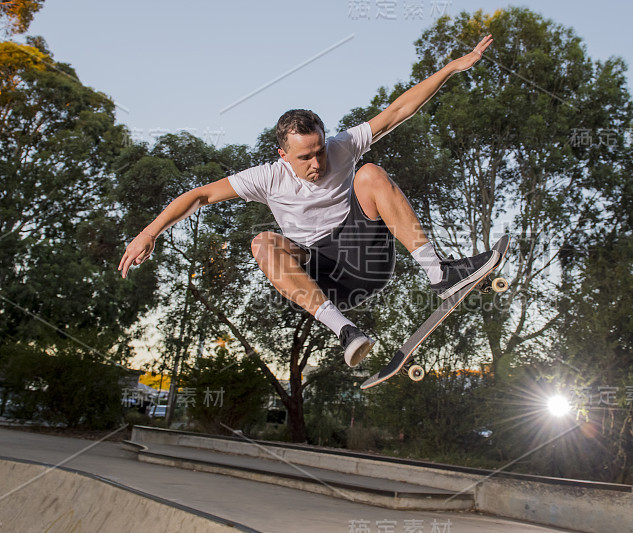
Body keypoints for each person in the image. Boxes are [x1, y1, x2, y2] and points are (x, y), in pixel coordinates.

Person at [119, 35, 501, 368]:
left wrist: (452, 67)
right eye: (305, 158)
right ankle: (346, 331)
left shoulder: (342, 146)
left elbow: (398, 111)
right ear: (283, 154)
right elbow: (199, 195)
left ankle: (439, 275)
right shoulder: (266, 177)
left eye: (319, 151)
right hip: (324, 277)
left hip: (367, 256)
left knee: (369, 174)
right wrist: (149, 233)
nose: (317, 163)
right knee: (262, 243)